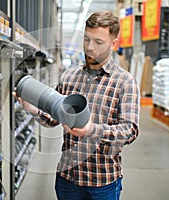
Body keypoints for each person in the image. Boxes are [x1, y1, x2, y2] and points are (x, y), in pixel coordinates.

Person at [13, 10, 140, 200]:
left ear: (113, 44)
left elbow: (130, 131)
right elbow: (53, 117)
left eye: (98, 42)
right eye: (87, 39)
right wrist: (34, 110)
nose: (89, 47)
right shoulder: (70, 76)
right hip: (68, 179)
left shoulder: (125, 82)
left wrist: (93, 129)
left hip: (102, 182)